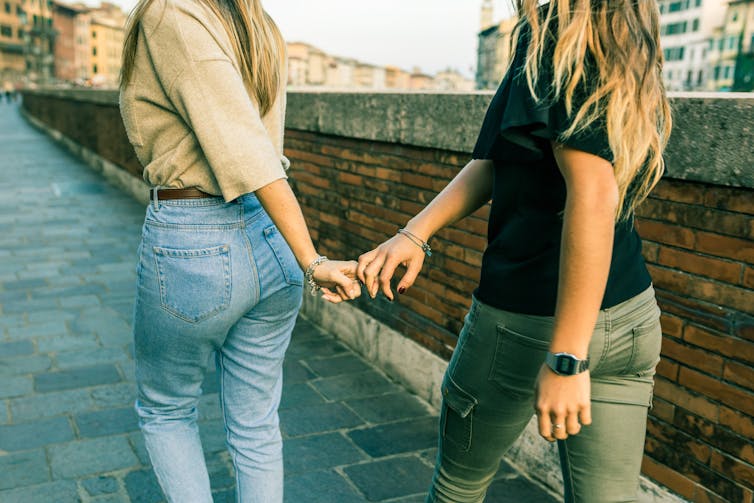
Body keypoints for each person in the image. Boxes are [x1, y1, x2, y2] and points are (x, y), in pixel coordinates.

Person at [358, 1, 671, 502]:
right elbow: (506, 159)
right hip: (630, 315)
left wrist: (568, 358)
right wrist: (414, 233)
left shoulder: (557, 31)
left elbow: (592, 195)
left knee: (460, 485)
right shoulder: (626, 34)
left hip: (529, 322)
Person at [118, 0, 361, 501]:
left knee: (166, 409)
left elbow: (242, 148)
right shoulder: (259, 23)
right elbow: (258, 144)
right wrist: (300, 258)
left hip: (196, 238)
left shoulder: (170, 13)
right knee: (255, 423)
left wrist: (312, 258)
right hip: (268, 237)